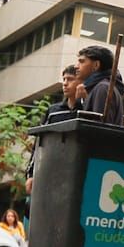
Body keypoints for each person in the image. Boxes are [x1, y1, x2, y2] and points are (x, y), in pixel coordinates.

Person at [26, 64, 80, 194]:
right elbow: (39, 143)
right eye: (64, 79)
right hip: (50, 171)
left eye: (70, 79)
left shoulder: (86, 110)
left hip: (75, 172)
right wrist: (31, 174)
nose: (65, 84)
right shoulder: (53, 111)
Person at [74, 45, 124, 125]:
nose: (76, 66)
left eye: (82, 61)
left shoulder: (103, 88)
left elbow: (99, 128)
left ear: (96, 65)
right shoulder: (100, 87)